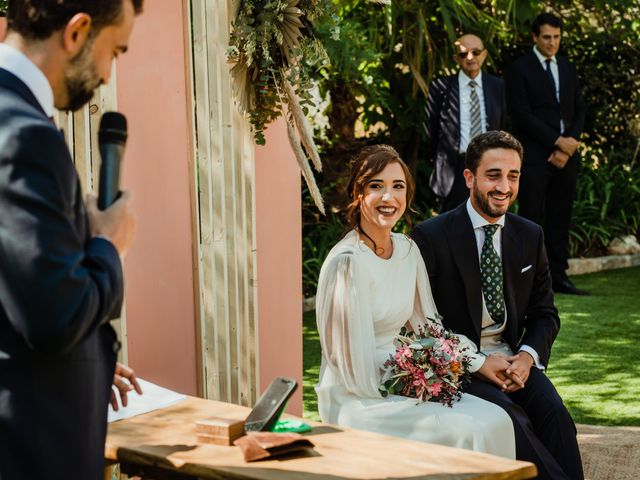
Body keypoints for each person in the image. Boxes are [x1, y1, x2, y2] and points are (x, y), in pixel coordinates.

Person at [0, 1, 143, 478]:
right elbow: (53, 318)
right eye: (114, 50)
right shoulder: (23, 134)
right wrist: (108, 244)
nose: (107, 74)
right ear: (78, 31)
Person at [315, 144, 515, 458]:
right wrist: (414, 375)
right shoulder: (348, 263)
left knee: (498, 418)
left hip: (403, 379)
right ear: (358, 194)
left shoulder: (407, 249)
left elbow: (429, 328)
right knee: (470, 429)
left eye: (398, 186)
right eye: (376, 186)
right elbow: (350, 367)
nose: (388, 197)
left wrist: (470, 362)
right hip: (360, 396)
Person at [412, 131, 583, 479]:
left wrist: (526, 357)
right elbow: (424, 325)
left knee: (556, 417)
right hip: (463, 365)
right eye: (493, 175)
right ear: (470, 177)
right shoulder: (430, 236)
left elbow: (544, 314)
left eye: (513, 176)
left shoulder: (530, 234)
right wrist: (476, 363)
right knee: (513, 422)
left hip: (514, 359)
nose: (504, 186)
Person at [506, 12, 588, 295]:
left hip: (567, 157)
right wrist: (556, 141)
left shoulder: (567, 67)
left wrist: (570, 143)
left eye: (556, 37)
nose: (552, 42)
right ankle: (528, 281)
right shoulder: (520, 68)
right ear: (535, 37)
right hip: (535, 156)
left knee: (560, 216)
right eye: (547, 37)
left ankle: (559, 277)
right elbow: (522, 115)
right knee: (530, 218)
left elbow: (579, 109)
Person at [424, 34, 506, 213]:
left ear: (484, 55)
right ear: (456, 58)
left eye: (476, 52)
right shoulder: (441, 87)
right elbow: (431, 130)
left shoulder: (497, 86)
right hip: (453, 168)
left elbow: (504, 125)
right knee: (450, 224)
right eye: (463, 54)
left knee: (486, 219)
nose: (470, 58)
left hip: (488, 165)